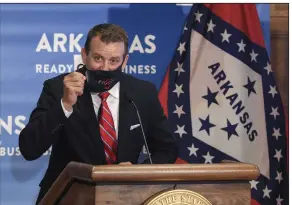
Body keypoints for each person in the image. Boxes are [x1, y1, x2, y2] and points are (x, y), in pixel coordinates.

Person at [19, 23, 178, 204]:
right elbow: (29, 149)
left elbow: (167, 149)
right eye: (98, 58)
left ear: (125, 61)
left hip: (125, 198)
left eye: (114, 61)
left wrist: (136, 173)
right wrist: (65, 104)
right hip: (67, 197)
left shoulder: (142, 93)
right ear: (84, 55)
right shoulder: (57, 88)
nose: (105, 68)